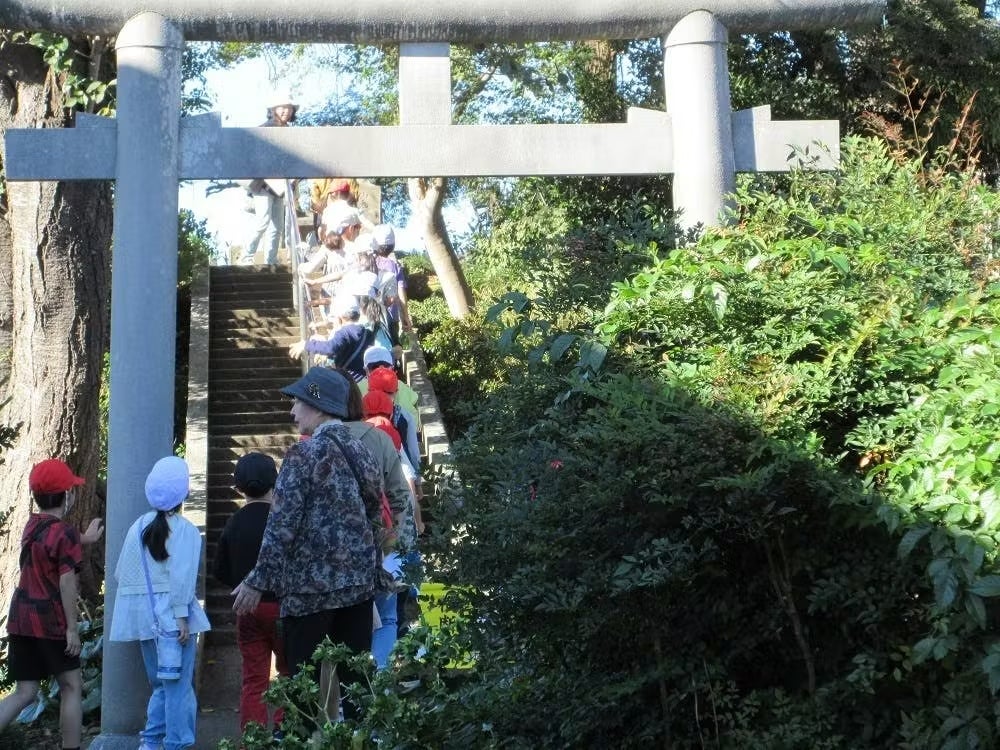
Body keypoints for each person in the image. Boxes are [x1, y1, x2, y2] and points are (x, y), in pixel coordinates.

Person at [231, 367, 384, 721]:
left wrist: (258, 580)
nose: (292, 410)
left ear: (317, 404)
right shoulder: (361, 451)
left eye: (297, 401)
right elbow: (374, 513)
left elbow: (281, 524)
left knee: (304, 695)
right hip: (357, 588)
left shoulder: (303, 455)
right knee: (358, 690)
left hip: (309, 594)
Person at [0, 459, 104, 750]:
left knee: (24, 693)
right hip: (50, 621)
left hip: (21, 618)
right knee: (71, 686)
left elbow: (54, 539)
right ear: (67, 494)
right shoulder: (64, 533)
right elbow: (66, 582)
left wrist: (85, 538)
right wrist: (72, 629)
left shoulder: (32, 525)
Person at [109, 456, 211, 750]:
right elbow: (183, 578)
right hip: (173, 620)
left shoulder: (137, 527)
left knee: (160, 685)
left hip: (144, 619)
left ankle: (151, 741)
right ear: (183, 492)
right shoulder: (186, 531)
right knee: (178, 686)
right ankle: (177, 742)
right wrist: (180, 615)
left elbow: (120, 574)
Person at [212, 453, 288, 733]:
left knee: (254, 679)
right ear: (275, 483)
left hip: (247, 609)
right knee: (288, 672)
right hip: (282, 607)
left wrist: (240, 584)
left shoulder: (234, 523)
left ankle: (253, 737)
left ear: (238, 488)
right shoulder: (282, 522)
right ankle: (284, 732)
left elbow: (220, 571)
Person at [239, 91, 298, 266]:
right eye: (282, 107)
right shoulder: (264, 129)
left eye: (289, 108)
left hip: (280, 185)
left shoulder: (291, 132)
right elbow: (255, 156)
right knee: (263, 221)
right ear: (273, 110)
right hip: (264, 184)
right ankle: (247, 256)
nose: (286, 111)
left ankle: (270, 260)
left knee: (277, 226)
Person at [289, 295, 373, 381]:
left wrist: (306, 344)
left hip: (348, 381)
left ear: (340, 317)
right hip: (364, 379)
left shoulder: (344, 332)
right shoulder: (367, 332)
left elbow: (331, 347)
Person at [358, 345, 421, 433]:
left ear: (366, 369)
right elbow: (414, 422)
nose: (380, 370)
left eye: (385, 366)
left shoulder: (357, 389)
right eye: (375, 367)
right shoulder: (401, 386)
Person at [370, 224, 414, 341]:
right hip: (391, 317)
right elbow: (401, 293)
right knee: (393, 347)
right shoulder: (395, 266)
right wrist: (405, 316)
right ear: (392, 246)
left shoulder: (369, 263)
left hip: (371, 314)